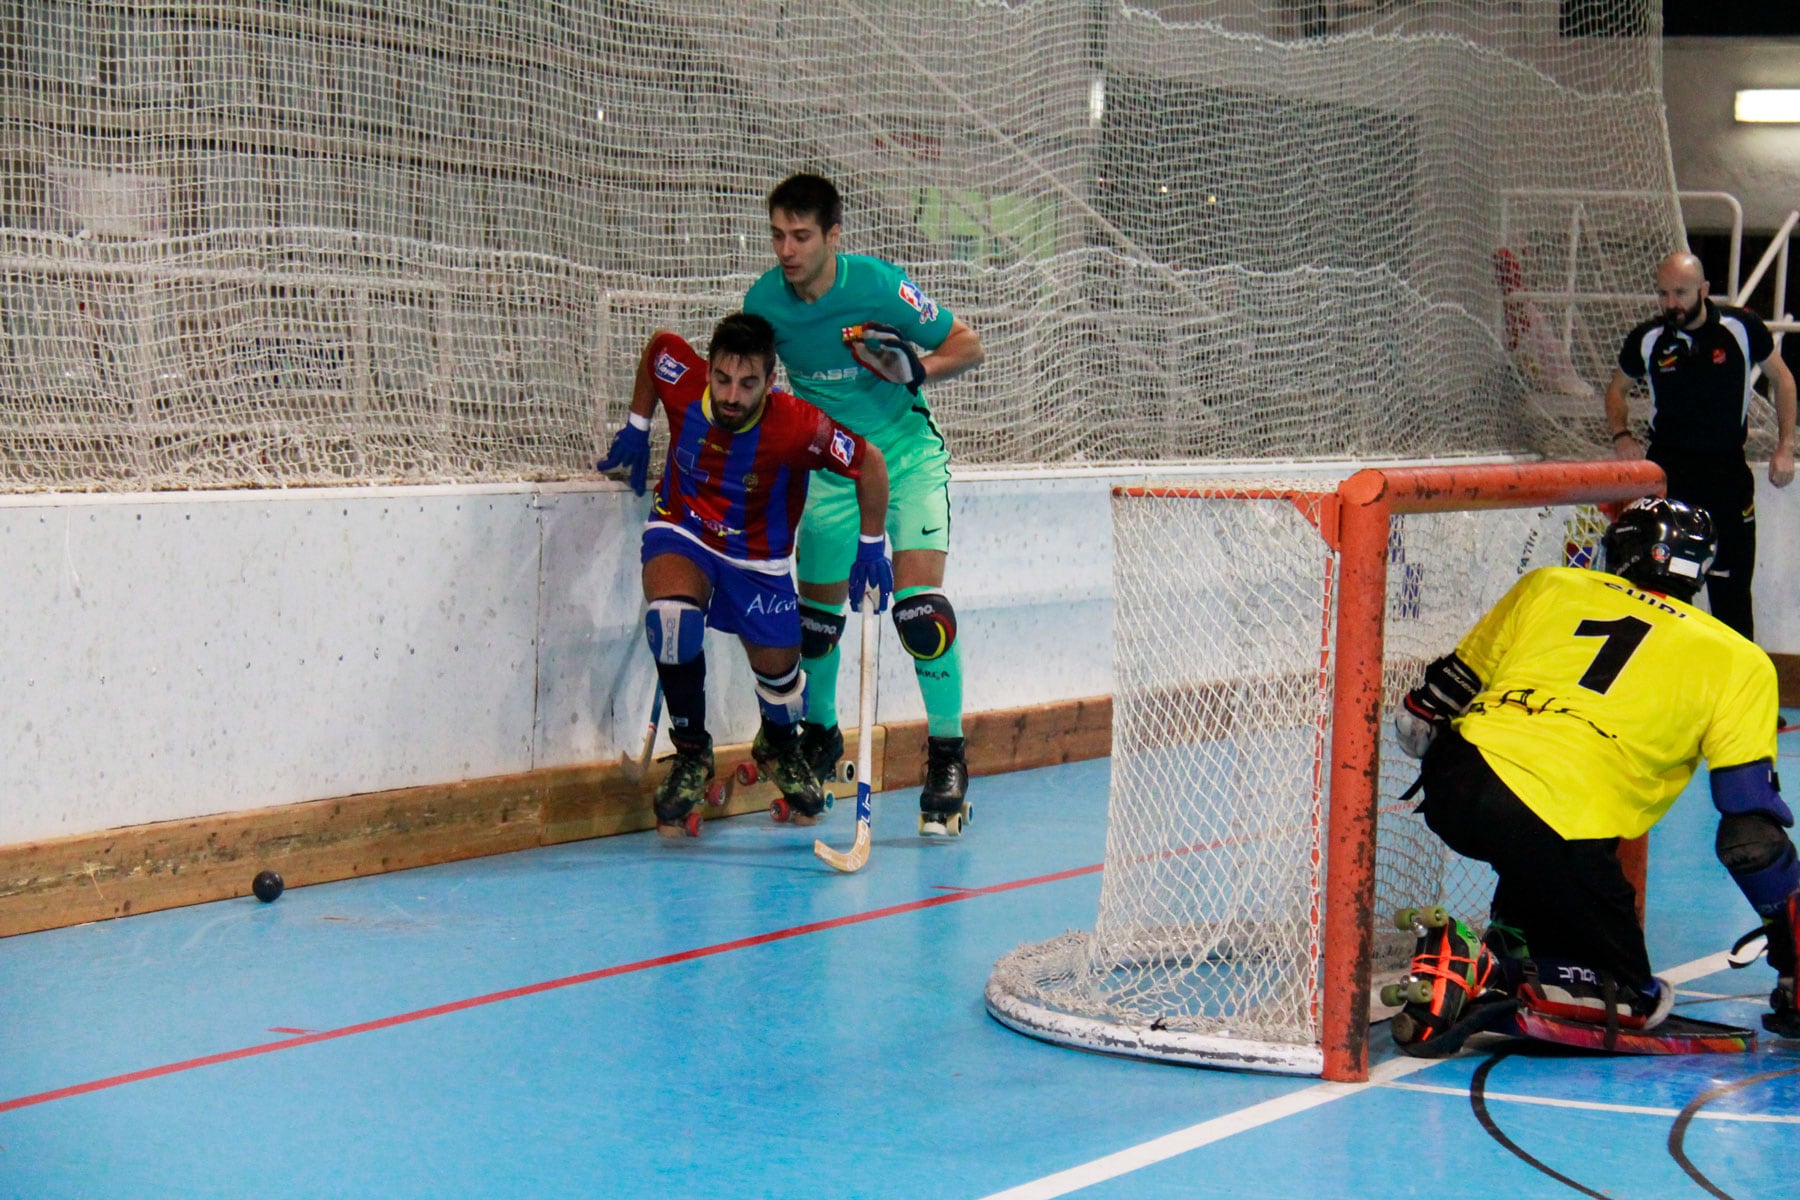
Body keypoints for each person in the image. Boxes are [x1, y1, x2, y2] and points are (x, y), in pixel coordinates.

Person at [1389, 498, 1797, 1050]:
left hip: (1456, 784)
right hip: (1557, 819)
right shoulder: (1738, 659)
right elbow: (1748, 832)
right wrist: (1789, 944)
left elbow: (1420, 718)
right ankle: (1483, 971)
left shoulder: (1549, 585)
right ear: (1700, 572)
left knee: (1540, 839)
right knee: (1633, 996)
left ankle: (1518, 937)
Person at [743, 173, 986, 835]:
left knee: (919, 610)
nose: (786, 249)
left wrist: (918, 369)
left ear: (833, 237)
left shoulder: (877, 286)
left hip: (905, 461)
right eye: (777, 235)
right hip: (831, 468)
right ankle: (819, 743)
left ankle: (946, 757)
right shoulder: (765, 303)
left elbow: (968, 344)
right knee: (816, 623)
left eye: (800, 236)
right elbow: (751, 388)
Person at [596, 313, 891, 838]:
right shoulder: (682, 381)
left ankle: (778, 743)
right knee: (671, 622)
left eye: (748, 383)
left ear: (769, 382)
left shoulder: (798, 426)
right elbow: (656, 350)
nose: (732, 395)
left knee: (783, 687)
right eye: (723, 379)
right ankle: (691, 754)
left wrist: (871, 548)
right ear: (708, 370)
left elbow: (870, 464)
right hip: (682, 530)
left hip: (759, 559)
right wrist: (638, 427)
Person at [1604, 250, 1796, 640]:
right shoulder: (1649, 339)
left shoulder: (1741, 328)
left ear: (1705, 290)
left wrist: (1785, 446)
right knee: (1665, 597)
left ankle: (1736, 694)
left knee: (1732, 594)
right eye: (1663, 294)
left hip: (1727, 476)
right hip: (1668, 480)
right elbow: (1616, 390)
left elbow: (1784, 381)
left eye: (1681, 293)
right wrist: (1621, 436)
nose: (1671, 303)